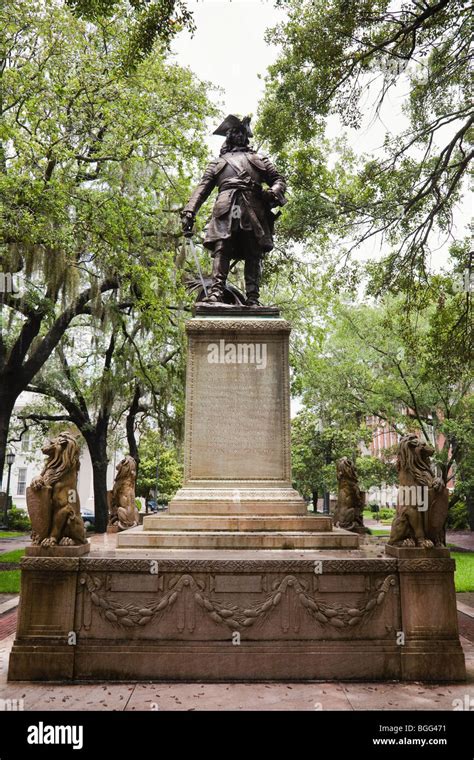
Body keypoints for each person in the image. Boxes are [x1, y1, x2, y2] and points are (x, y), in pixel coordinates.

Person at [181, 114, 287, 306]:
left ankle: (253, 297)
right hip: (227, 208)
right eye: (234, 132)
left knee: (252, 251)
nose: (238, 135)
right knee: (223, 247)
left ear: (246, 135)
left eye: (241, 132)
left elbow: (279, 180)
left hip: (252, 208)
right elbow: (202, 188)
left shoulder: (260, 159)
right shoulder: (217, 163)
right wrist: (190, 211)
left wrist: (273, 192)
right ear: (229, 136)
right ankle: (216, 292)